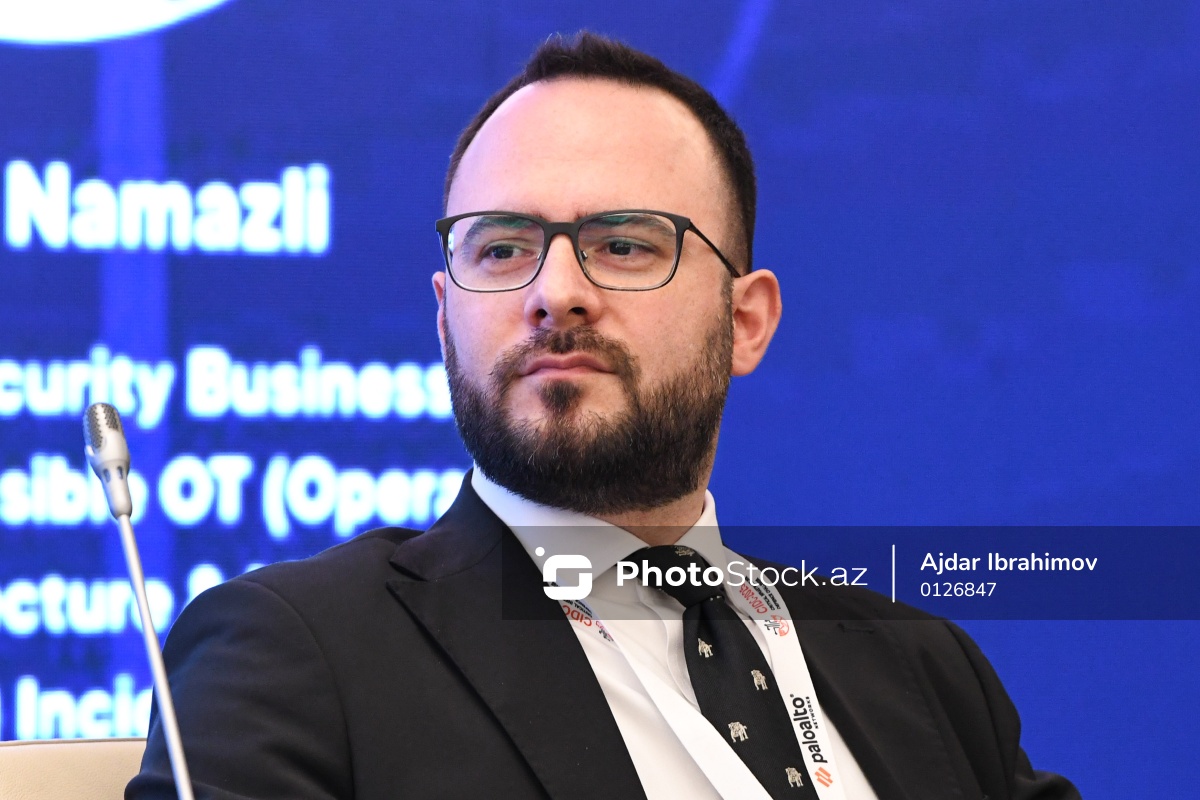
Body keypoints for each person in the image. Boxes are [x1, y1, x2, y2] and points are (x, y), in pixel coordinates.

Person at [129, 32, 1080, 799]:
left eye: (623, 244)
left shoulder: (924, 670)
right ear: (445, 318)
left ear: (746, 322)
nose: (556, 293)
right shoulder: (296, 657)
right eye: (502, 249)